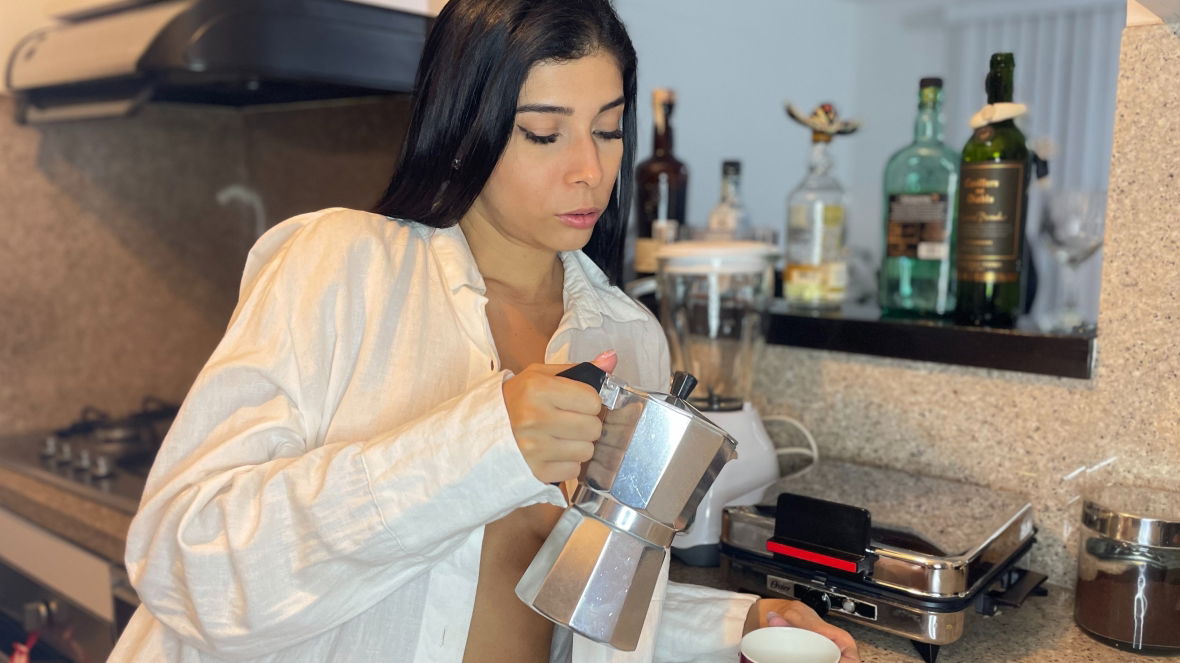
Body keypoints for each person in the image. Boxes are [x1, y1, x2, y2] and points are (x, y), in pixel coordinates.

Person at [108, 0, 860, 661]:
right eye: (543, 133)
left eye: (607, 129)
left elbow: (577, 604)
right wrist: (486, 444)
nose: (589, 170)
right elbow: (186, 565)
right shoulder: (340, 268)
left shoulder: (630, 339)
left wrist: (734, 626)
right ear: (467, 129)